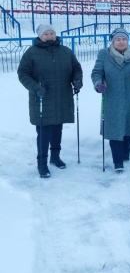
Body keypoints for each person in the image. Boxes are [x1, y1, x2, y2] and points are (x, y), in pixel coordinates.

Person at [17, 23, 83, 178]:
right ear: (40, 36)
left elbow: (76, 68)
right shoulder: (31, 53)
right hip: (42, 99)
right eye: (46, 34)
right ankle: (42, 164)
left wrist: (77, 80)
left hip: (61, 97)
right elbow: (23, 73)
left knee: (57, 129)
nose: (49, 36)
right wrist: (35, 87)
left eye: (52, 33)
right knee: (44, 132)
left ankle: (55, 157)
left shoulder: (66, 51)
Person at [91, 28, 130, 172]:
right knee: (114, 129)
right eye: (118, 39)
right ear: (113, 41)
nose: (121, 42)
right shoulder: (104, 54)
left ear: (127, 41)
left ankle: (125, 152)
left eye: (124, 39)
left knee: (128, 126)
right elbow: (97, 72)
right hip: (111, 98)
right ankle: (117, 161)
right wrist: (98, 83)